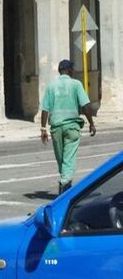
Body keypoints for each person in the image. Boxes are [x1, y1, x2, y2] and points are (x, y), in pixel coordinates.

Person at [41, 59, 96, 195]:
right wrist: (91, 123)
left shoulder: (51, 86)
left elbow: (44, 109)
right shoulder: (76, 84)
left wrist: (43, 129)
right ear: (70, 70)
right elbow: (86, 105)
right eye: (73, 69)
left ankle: (65, 185)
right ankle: (65, 185)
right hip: (72, 127)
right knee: (68, 159)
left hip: (56, 128)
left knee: (62, 160)